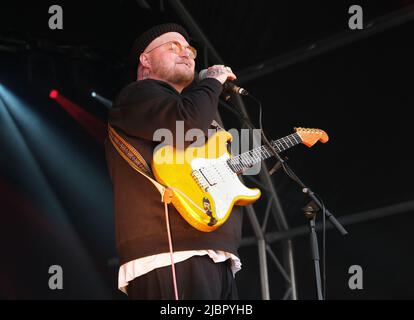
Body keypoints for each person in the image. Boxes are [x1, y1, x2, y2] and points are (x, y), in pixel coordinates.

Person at [105, 23, 243, 300]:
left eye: (190, 50)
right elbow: (187, 121)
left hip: (212, 251)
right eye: (173, 47)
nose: (187, 54)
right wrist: (212, 82)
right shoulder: (138, 95)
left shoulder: (191, 104)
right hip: (171, 252)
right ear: (145, 60)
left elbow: (214, 147)